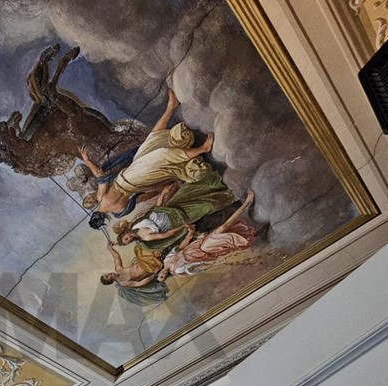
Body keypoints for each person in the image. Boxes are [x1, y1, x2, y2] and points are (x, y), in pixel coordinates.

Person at [80, 89, 214, 218]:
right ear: (95, 210)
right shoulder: (101, 199)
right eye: (90, 200)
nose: (91, 198)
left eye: (88, 198)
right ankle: (203, 148)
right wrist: (87, 160)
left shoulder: (119, 213)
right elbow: (100, 176)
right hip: (132, 177)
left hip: (138, 181)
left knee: (152, 140)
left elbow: (136, 198)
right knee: (163, 155)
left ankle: (171, 107)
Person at [112, 170, 238, 253]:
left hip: (171, 208)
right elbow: (166, 234)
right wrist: (183, 226)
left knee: (192, 191)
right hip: (179, 219)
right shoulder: (145, 237)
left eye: (126, 238)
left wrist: (164, 192)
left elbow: (153, 210)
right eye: (128, 241)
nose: (130, 239)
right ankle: (230, 194)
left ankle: (219, 182)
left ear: (125, 233)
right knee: (206, 205)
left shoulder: (135, 224)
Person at [157, 190, 257, 281]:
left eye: (161, 276)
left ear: (159, 273)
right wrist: (213, 263)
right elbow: (199, 268)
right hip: (205, 251)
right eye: (164, 278)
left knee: (224, 228)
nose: (164, 275)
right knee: (223, 228)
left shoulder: (166, 260)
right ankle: (247, 202)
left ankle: (245, 206)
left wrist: (190, 234)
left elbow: (181, 248)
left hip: (197, 244)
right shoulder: (178, 272)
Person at [100, 239, 180, 288]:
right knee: (153, 254)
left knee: (140, 249)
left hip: (142, 261)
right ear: (110, 281)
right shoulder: (123, 282)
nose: (109, 274)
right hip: (149, 268)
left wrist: (110, 249)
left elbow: (116, 257)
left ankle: (171, 240)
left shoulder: (118, 269)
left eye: (107, 274)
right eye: (107, 276)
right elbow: (139, 283)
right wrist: (153, 275)